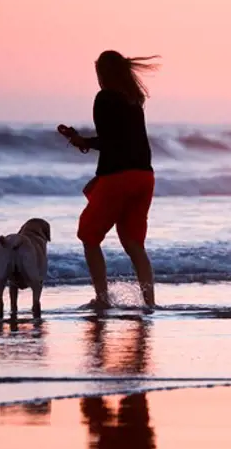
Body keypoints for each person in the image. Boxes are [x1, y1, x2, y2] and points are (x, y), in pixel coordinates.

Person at [58, 50, 159, 308]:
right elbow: (126, 140)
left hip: (119, 176)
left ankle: (102, 299)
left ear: (104, 73)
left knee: (88, 234)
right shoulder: (134, 100)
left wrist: (82, 142)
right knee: (134, 242)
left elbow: (109, 141)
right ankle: (149, 303)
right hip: (144, 176)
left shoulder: (104, 98)